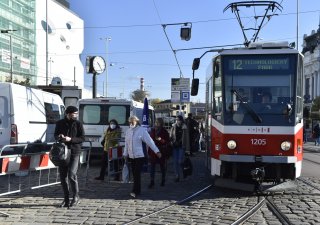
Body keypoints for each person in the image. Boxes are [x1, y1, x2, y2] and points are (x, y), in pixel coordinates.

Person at [123, 116, 162, 198]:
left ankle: (135, 191)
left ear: (136, 122)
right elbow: (126, 144)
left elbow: (150, 142)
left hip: (140, 155)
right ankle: (138, 189)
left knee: (137, 173)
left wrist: (157, 151)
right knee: (134, 173)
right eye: (129, 122)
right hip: (131, 156)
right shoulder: (128, 131)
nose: (130, 124)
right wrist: (125, 154)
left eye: (132, 122)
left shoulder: (142, 131)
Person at [54, 106, 85, 208]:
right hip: (62, 153)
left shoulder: (78, 124)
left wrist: (70, 139)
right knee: (63, 177)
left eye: (76, 114)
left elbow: (82, 138)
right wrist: (59, 137)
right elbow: (55, 135)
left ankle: (76, 197)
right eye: (73, 114)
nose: (75, 115)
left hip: (75, 152)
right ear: (68, 114)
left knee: (71, 174)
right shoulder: (60, 123)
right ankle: (66, 198)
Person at [148, 118, 170, 188]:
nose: (156, 124)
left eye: (158, 122)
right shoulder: (153, 130)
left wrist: (160, 139)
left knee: (162, 167)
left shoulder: (164, 131)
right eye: (156, 122)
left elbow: (166, 142)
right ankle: (152, 181)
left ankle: (163, 180)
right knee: (152, 167)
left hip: (161, 151)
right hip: (153, 152)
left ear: (161, 123)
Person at [170, 115, 189, 182]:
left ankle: (184, 171)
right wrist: (172, 142)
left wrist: (187, 149)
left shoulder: (184, 127)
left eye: (179, 120)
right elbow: (171, 135)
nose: (177, 121)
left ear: (181, 120)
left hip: (181, 146)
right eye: (176, 119)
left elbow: (187, 139)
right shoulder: (173, 126)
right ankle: (177, 176)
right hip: (175, 146)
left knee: (180, 161)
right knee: (175, 162)